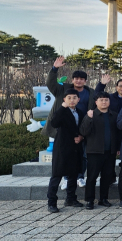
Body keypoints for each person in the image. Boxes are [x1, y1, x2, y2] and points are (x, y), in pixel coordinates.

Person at [43, 56, 95, 190]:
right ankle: (66, 178)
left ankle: (80, 177)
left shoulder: (90, 93)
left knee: (82, 155)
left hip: (81, 128)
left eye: (82, 79)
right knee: (64, 156)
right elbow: (50, 84)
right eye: (76, 78)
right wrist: (54, 69)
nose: (79, 81)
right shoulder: (63, 89)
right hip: (64, 131)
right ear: (72, 80)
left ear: (85, 81)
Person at [46, 89, 85, 213]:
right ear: (64, 99)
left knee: (73, 174)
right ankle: (51, 202)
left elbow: (83, 128)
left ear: (78, 99)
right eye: (69, 98)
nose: (72, 100)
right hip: (62, 148)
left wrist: (81, 137)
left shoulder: (80, 112)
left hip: (75, 147)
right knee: (57, 175)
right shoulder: (61, 111)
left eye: (74, 98)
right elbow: (54, 123)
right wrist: (62, 108)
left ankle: (71, 198)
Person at [79, 92, 120, 210]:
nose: (104, 102)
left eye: (106, 100)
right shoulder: (91, 114)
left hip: (110, 152)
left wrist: (117, 148)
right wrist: (88, 118)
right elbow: (83, 131)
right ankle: (90, 200)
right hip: (95, 151)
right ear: (96, 102)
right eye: (101, 100)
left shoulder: (114, 115)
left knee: (106, 177)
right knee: (92, 177)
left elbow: (118, 133)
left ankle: (103, 199)